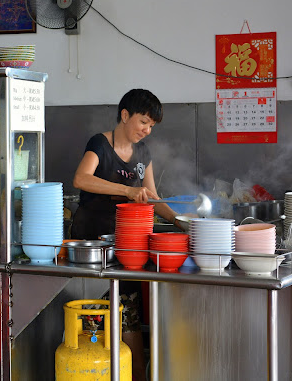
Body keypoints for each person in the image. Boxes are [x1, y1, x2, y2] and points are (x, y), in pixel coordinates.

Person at [71, 88, 183, 381]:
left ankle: (136, 377)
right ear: (125, 115)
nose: (146, 130)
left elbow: (153, 197)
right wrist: (127, 191)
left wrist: (180, 221)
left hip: (128, 246)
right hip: (92, 244)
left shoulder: (143, 153)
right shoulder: (100, 143)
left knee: (129, 315)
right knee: (93, 315)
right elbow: (81, 178)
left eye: (151, 126)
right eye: (143, 122)